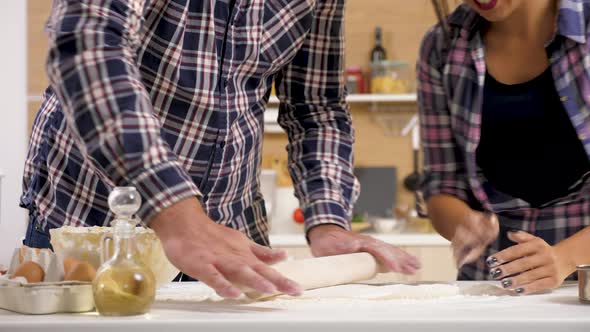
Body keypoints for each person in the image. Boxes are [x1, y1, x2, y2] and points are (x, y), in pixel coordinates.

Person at [21, 0, 420, 298]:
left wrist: (329, 220)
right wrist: (176, 212)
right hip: (95, 221)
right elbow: (88, 41)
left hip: (233, 234)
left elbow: (316, 108)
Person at [418, 0, 590, 295]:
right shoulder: (442, 46)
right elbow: (443, 185)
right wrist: (464, 224)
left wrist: (566, 257)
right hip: (493, 289)